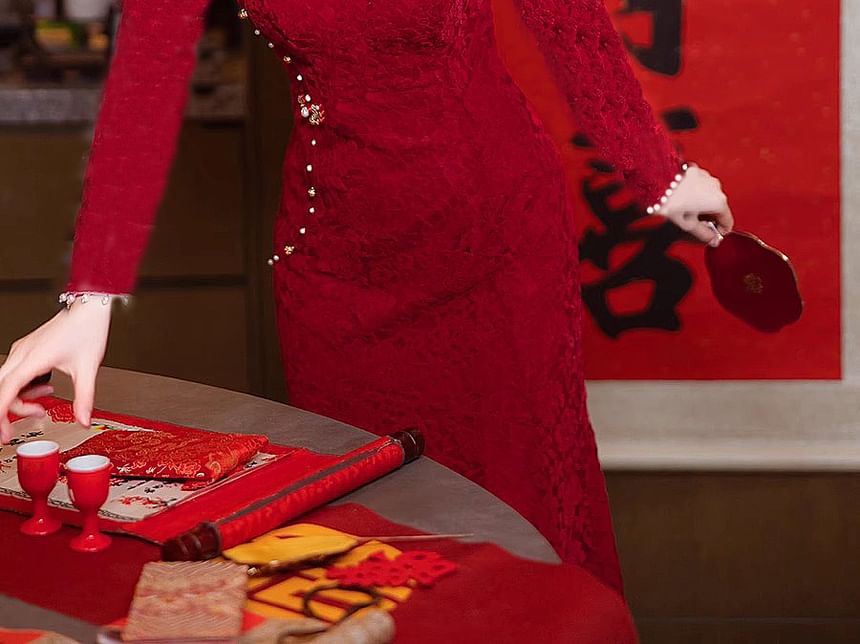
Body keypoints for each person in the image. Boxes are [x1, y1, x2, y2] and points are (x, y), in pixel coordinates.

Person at [0, 0, 731, 592]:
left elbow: (565, 15)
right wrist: (89, 295)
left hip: (495, 247)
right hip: (336, 263)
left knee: (520, 527)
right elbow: (149, 70)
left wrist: (653, 170)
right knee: (360, 541)